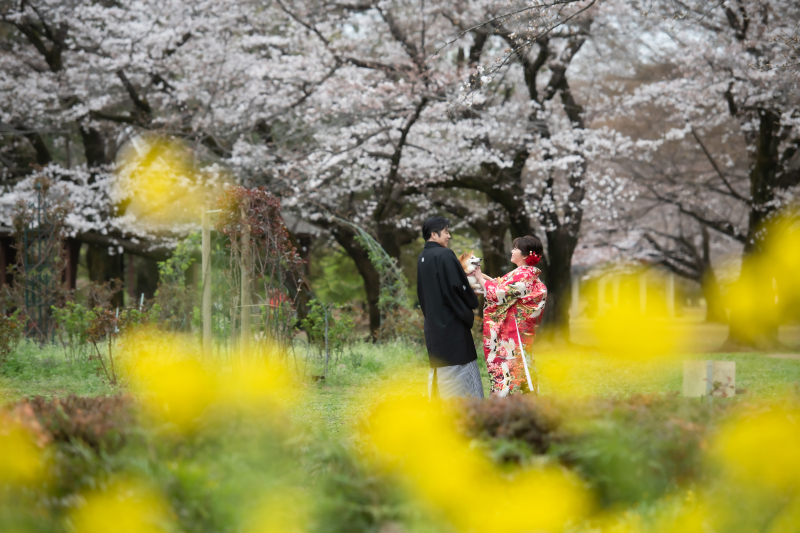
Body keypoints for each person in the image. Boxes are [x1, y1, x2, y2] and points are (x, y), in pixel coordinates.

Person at [416, 216, 484, 399]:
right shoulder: (445, 255)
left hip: (434, 325)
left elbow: (425, 293)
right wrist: (471, 297)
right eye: (446, 231)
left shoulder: (423, 256)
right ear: (434, 234)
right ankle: (465, 416)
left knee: (441, 372)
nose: (449, 236)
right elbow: (457, 287)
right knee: (460, 374)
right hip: (452, 326)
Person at [473, 235, 547, 397]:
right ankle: (518, 404)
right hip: (517, 333)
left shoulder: (524, 275)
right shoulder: (524, 274)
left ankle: (510, 405)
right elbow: (503, 289)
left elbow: (500, 294)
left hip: (513, 334)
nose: (512, 251)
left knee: (512, 369)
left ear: (526, 255)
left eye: (515, 248)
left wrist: (479, 277)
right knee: (518, 368)